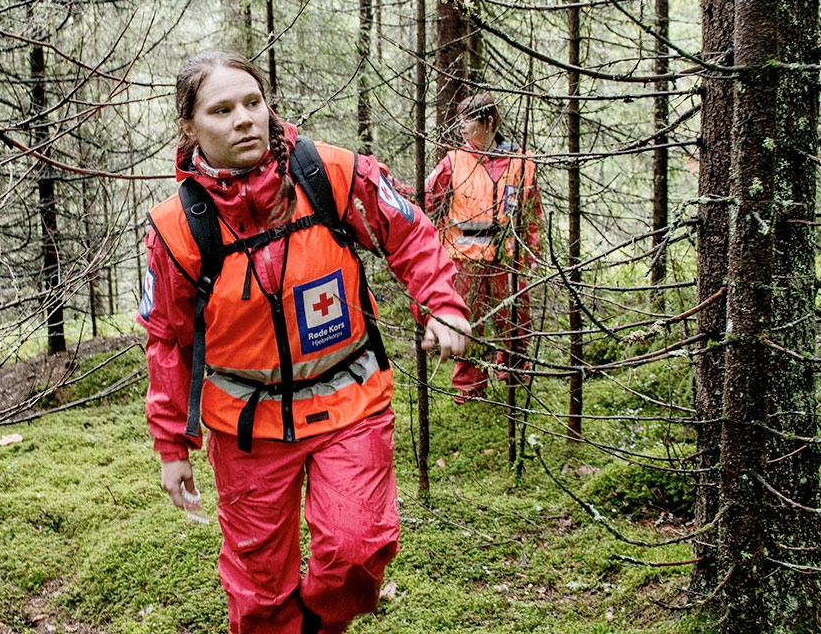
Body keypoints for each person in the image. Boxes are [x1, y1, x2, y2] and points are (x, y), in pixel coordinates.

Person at [138, 50, 471, 634]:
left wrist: (441, 303)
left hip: (351, 403)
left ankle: (318, 624)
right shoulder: (176, 228)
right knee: (260, 589)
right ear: (189, 127)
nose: (244, 119)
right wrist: (172, 446)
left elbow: (409, 231)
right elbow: (166, 340)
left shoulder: (329, 174)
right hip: (246, 427)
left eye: (252, 103)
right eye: (222, 109)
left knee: (357, 549)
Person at [424, 92, 543, 401]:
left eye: (468, 122)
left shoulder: (521, 163)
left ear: (489, 122)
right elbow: (429, 199)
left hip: (508, 257)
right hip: (465, 255)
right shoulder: (453, 160)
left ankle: (513, 371)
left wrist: (533, 249)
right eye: (460, 121)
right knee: (468, 321)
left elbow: (533, 212)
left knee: (515, 319)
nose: (462, 128)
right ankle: (470, 384)